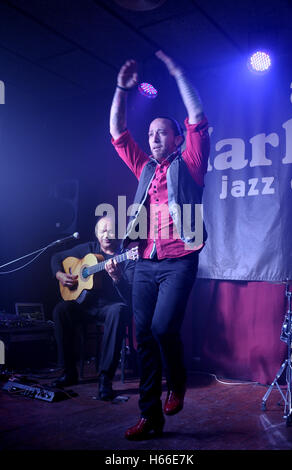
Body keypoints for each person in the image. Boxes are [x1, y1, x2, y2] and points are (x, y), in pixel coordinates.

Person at [109, 50, 210, 439]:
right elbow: (117, 131)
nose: (153, 139)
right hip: (144, 261)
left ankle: (178, 380)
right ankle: (150, 416)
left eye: (161, 132)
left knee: (164, 327)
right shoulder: (145, 167)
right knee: (143, 335)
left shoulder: (191, 161)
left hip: (180, 258)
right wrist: (121, 89)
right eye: (150, 134)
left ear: (177, 137)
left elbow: (198, 118)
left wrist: (180, 72)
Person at [51, 216, 134, 400]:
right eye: (102, 231)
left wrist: (117, 278)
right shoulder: (88, 249)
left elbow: (130, 295)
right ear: (96, 234)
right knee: (61, 310)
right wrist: (60, 275)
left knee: (118, 311)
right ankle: (68, 372)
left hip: (111, 307)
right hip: (85, 304)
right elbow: (56, 257)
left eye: (111, 230)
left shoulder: (126, 257)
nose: (107, 235)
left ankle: (105, 379)